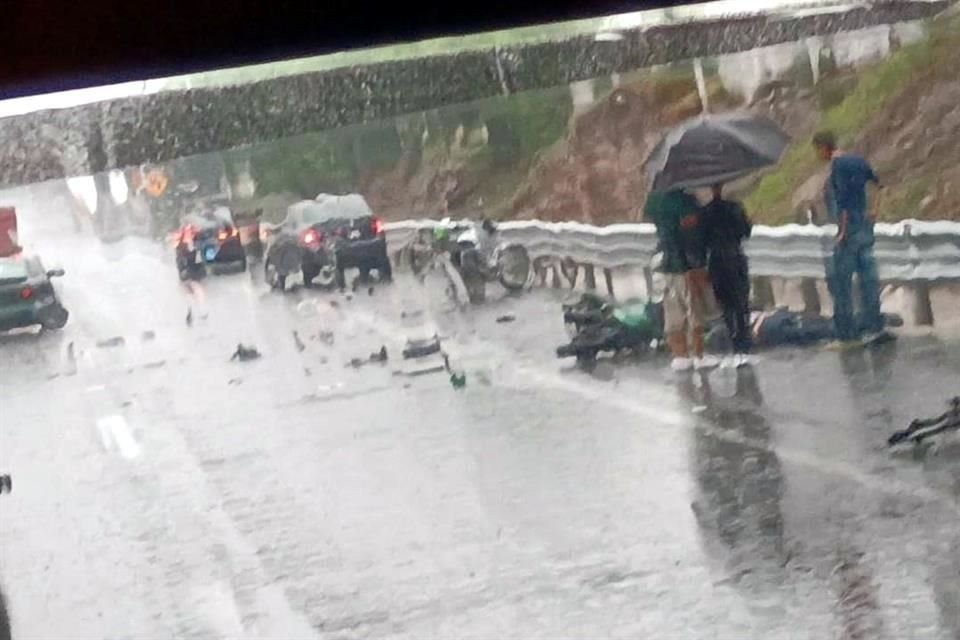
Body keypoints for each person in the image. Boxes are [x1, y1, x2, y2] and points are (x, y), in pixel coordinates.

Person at [813, 130, 893, 348]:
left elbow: (844, 202)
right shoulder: (858, 160)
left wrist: (842, 232)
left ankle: (847, 335)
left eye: (818, 150)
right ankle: (874, 327)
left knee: (841, 284)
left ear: (823, 148)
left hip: (849, 232)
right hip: (866, 229)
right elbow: (881, 186)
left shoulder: (837, 167)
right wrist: (875, 211)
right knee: (869, 281)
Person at [644, 188, 718, 371]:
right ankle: (698, 355)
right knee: (694, 310)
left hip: (664, 263)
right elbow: (692, 233)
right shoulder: (685, 201)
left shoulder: (654, 200)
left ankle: (679, 355)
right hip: (685, 265)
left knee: (672, 312)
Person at [702, 183, 753, 367]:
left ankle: (734, 342)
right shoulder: (735, 208)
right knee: (741, 303)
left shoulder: (705, 213)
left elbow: (702, 240)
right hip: (736, 257)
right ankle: (744, 345)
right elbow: (746, 232)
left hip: (716, 262)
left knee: (726, 305)